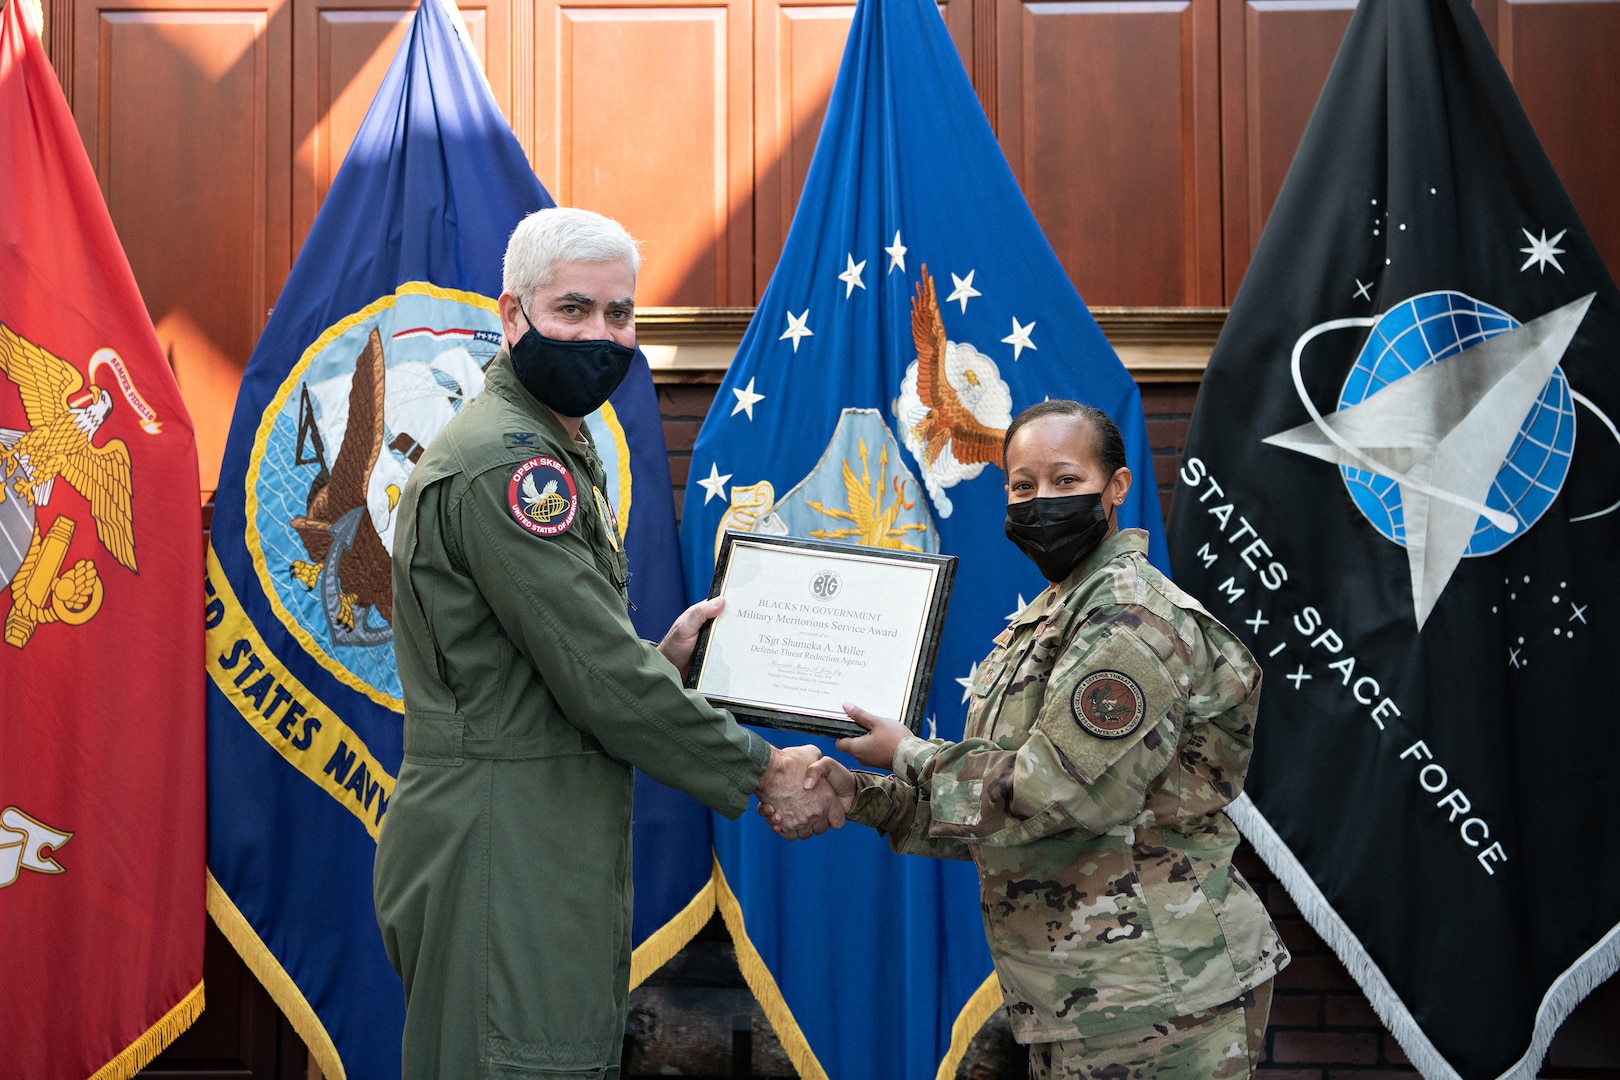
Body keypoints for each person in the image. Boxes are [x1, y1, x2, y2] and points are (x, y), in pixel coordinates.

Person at [374, 207, 841, 1080]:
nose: (601, 335)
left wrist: (657, 662)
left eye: (620, 316)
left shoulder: (550, 440)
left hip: (536, 825)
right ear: (512, 316)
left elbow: (546, 660)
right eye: (573, 310)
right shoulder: (513, 465)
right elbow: (593, 673)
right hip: (503, 840)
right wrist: (760, 770)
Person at [767, 400, 1289, 1078]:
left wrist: (906, 753)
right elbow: (998, 809)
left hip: (1159, 995)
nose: (1041, 501)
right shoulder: (1051, 619)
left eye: (1066, 481)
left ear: (1116, 489)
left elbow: (1052, 794)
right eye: (1022, 486)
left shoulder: (1131, 620)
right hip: (1081, 993)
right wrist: (862, 794)